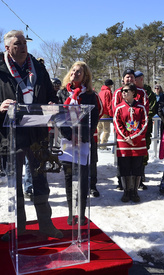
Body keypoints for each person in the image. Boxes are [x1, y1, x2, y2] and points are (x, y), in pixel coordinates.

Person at [0, 30, 63, 240]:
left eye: (25, 42)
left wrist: (53, 103)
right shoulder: (0, 70)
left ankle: (46, 224)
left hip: (37, 132)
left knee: (40, 180)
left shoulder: (38, 67)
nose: (24, 46)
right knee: (14, 184)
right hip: (11, 135)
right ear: (8, 48)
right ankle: (20, 228)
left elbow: (51, 94)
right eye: (18, 43)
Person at [57, 61, 99, 225]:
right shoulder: (61, 94)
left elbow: (94, 118)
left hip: (83, 141)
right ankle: (70, 212)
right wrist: (69, 134)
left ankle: (81, 214)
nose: (75, 73)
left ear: (85, 76)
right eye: (73, 70)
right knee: (68, 177)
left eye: (79, 72)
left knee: (82, 178)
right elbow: (59, 116)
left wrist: (82, 135)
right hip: (67, 140)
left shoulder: (90, 95)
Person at [112, 69, 149, 190]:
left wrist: (135, 135)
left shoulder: (142, 94)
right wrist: (126, 136)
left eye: (131, 77)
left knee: (138, 162)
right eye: (127, 77)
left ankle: (137, 185)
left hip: (139, 134)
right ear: (123, 79)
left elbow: (145, 113)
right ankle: (123, 184)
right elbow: (116, 114)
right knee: (124, 163)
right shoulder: (118, 93)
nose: (129, 79)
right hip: (123, 135)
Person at [134, 71, 157, 188]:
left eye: (135, 78)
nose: (133, 80)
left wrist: (143, 118)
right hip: (132, 128)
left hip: (145, 127)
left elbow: (152, 109)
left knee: (144, 149)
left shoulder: (149, 93)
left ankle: (141, 174)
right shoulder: (131, 91)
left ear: (141, 79)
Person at [97, 79, 113, 150]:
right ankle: (103, 145)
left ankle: (97, 142)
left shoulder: (100, 92)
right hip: (105, 113)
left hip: (99, 112)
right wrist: (111, 114)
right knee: (107, 130)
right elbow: (109, 104)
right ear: (110, 85)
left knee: (99, 128)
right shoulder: (108, 92)